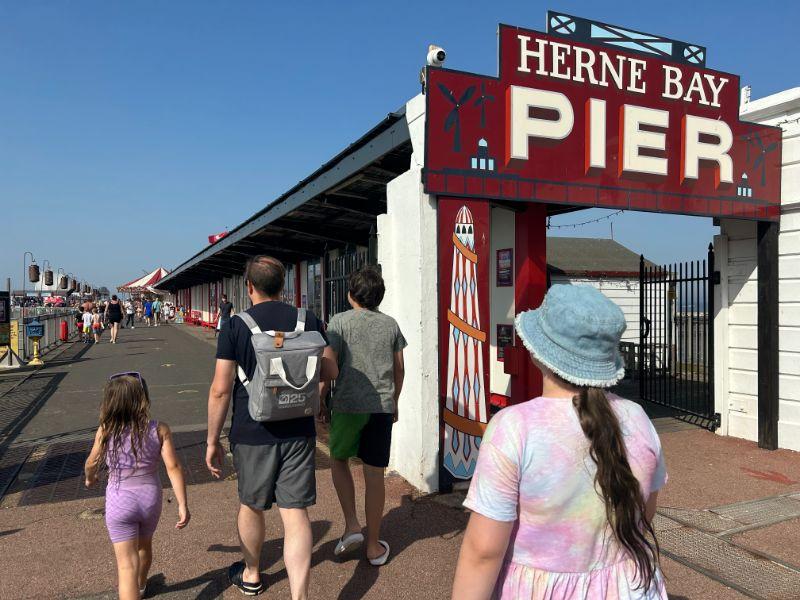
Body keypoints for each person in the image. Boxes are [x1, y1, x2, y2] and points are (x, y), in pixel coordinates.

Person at [451, 285, 667, 600]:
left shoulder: (513, 428)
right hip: (628, 586)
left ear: (539, 353)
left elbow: (483, 551)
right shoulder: (637, 417)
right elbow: (644, 510)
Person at [206, 255, 337, 599]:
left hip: (252, 432)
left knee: (251, 505)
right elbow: (331, 371)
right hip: (298, 430)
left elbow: (220, 389)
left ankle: (251, 574)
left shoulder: (235, 325)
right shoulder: (306, 319)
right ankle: (300, 595)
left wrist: (211, 440)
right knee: (295, 513)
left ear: (248, 286)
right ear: (283, 286)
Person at [321, 266, 406, 566]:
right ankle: (373, 546)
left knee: (338, 459)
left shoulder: (338, 322)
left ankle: (352, 525)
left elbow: (329, 365)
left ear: (350, 294)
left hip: (347, 404)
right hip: (381, 407)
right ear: (379, 296)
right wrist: (393, 401)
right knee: (374, 474)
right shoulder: (391, 325)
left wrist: (320, 398)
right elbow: (399, 369)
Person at [84, 373, 190, 600]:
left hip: (120, 499)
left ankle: (132, 589)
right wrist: (182, 503)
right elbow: (174, 467)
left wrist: (90, 478)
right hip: (150, 498)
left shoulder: (106, 430)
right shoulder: (159, 429)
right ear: (143, 398)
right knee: (144, 547)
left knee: (126, 567)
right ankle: (141, 586)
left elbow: (91, 462)